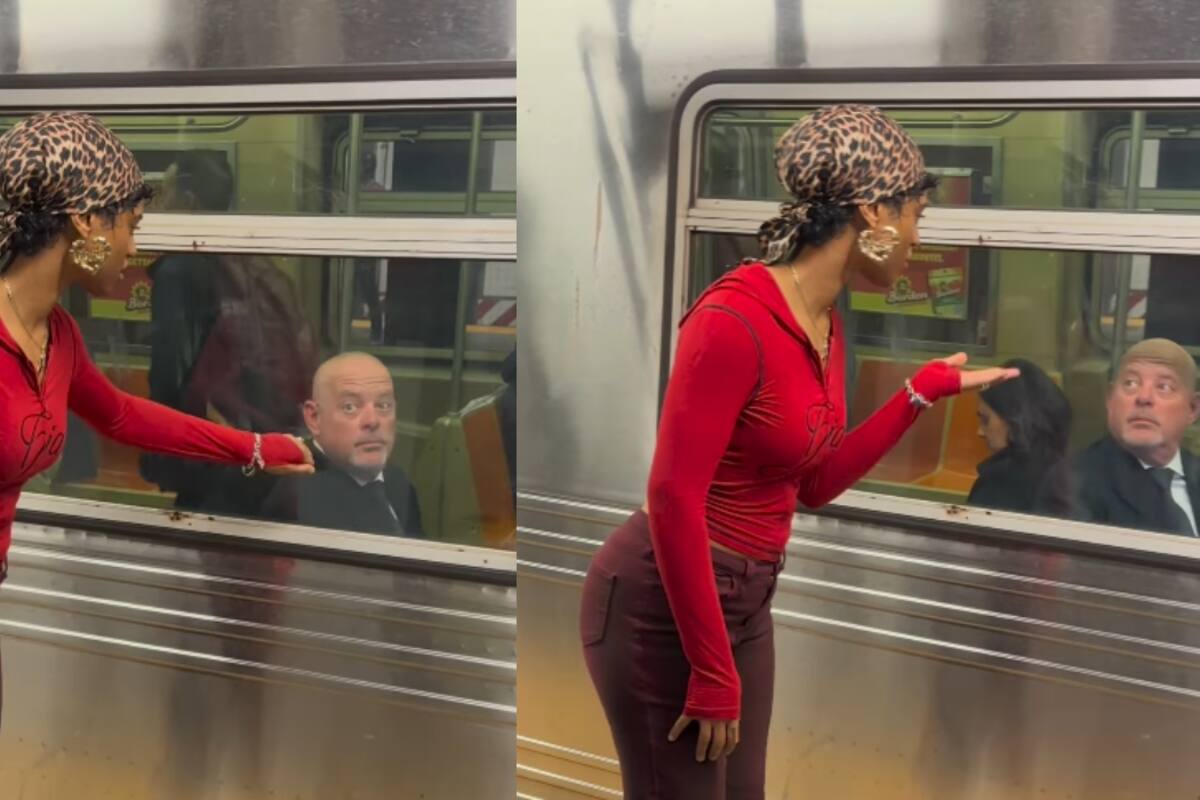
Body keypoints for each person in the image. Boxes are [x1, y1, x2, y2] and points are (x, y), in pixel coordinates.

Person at [578, 104, 1018, 800]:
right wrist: (712, 669)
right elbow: (672, 497)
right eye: (916, 217)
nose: (916, 238)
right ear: (874, 213)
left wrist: (919, 393)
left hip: (746, 605)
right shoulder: (733, 319)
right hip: (662, 604)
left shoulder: (825, 323)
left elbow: (812, 483)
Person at [0, 113, 314, 715]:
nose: (134, 249)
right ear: (86, 221)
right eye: (130, 226)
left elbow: (122, 416)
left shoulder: (57, 334)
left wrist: (256, 448)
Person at [139, 150, 318, 517]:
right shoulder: (252, 264)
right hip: (262, 439)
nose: (157, 207)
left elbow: (171, 375)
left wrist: (159, 457)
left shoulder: (179, 271)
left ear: (188, 203)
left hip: (212, 450)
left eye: (165, 195)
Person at [263, 352, 423, 536]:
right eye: (350, 407)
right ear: (314, 418)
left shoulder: (398, 480)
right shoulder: (298, 496)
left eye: (384, 405)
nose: (373, 421)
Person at [1073, 338, 1200, 536]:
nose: (1144, 397)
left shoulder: (1195, 471)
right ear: (1110, 399)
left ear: (1192, 409)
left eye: (1164, 387)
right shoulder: (1074, 484)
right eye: (1131, 383)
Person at [968, 358, 1073, 515]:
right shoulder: (1068, 475)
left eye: (985, 420)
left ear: (1013, 419)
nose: (980, 432)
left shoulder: (998, 486)